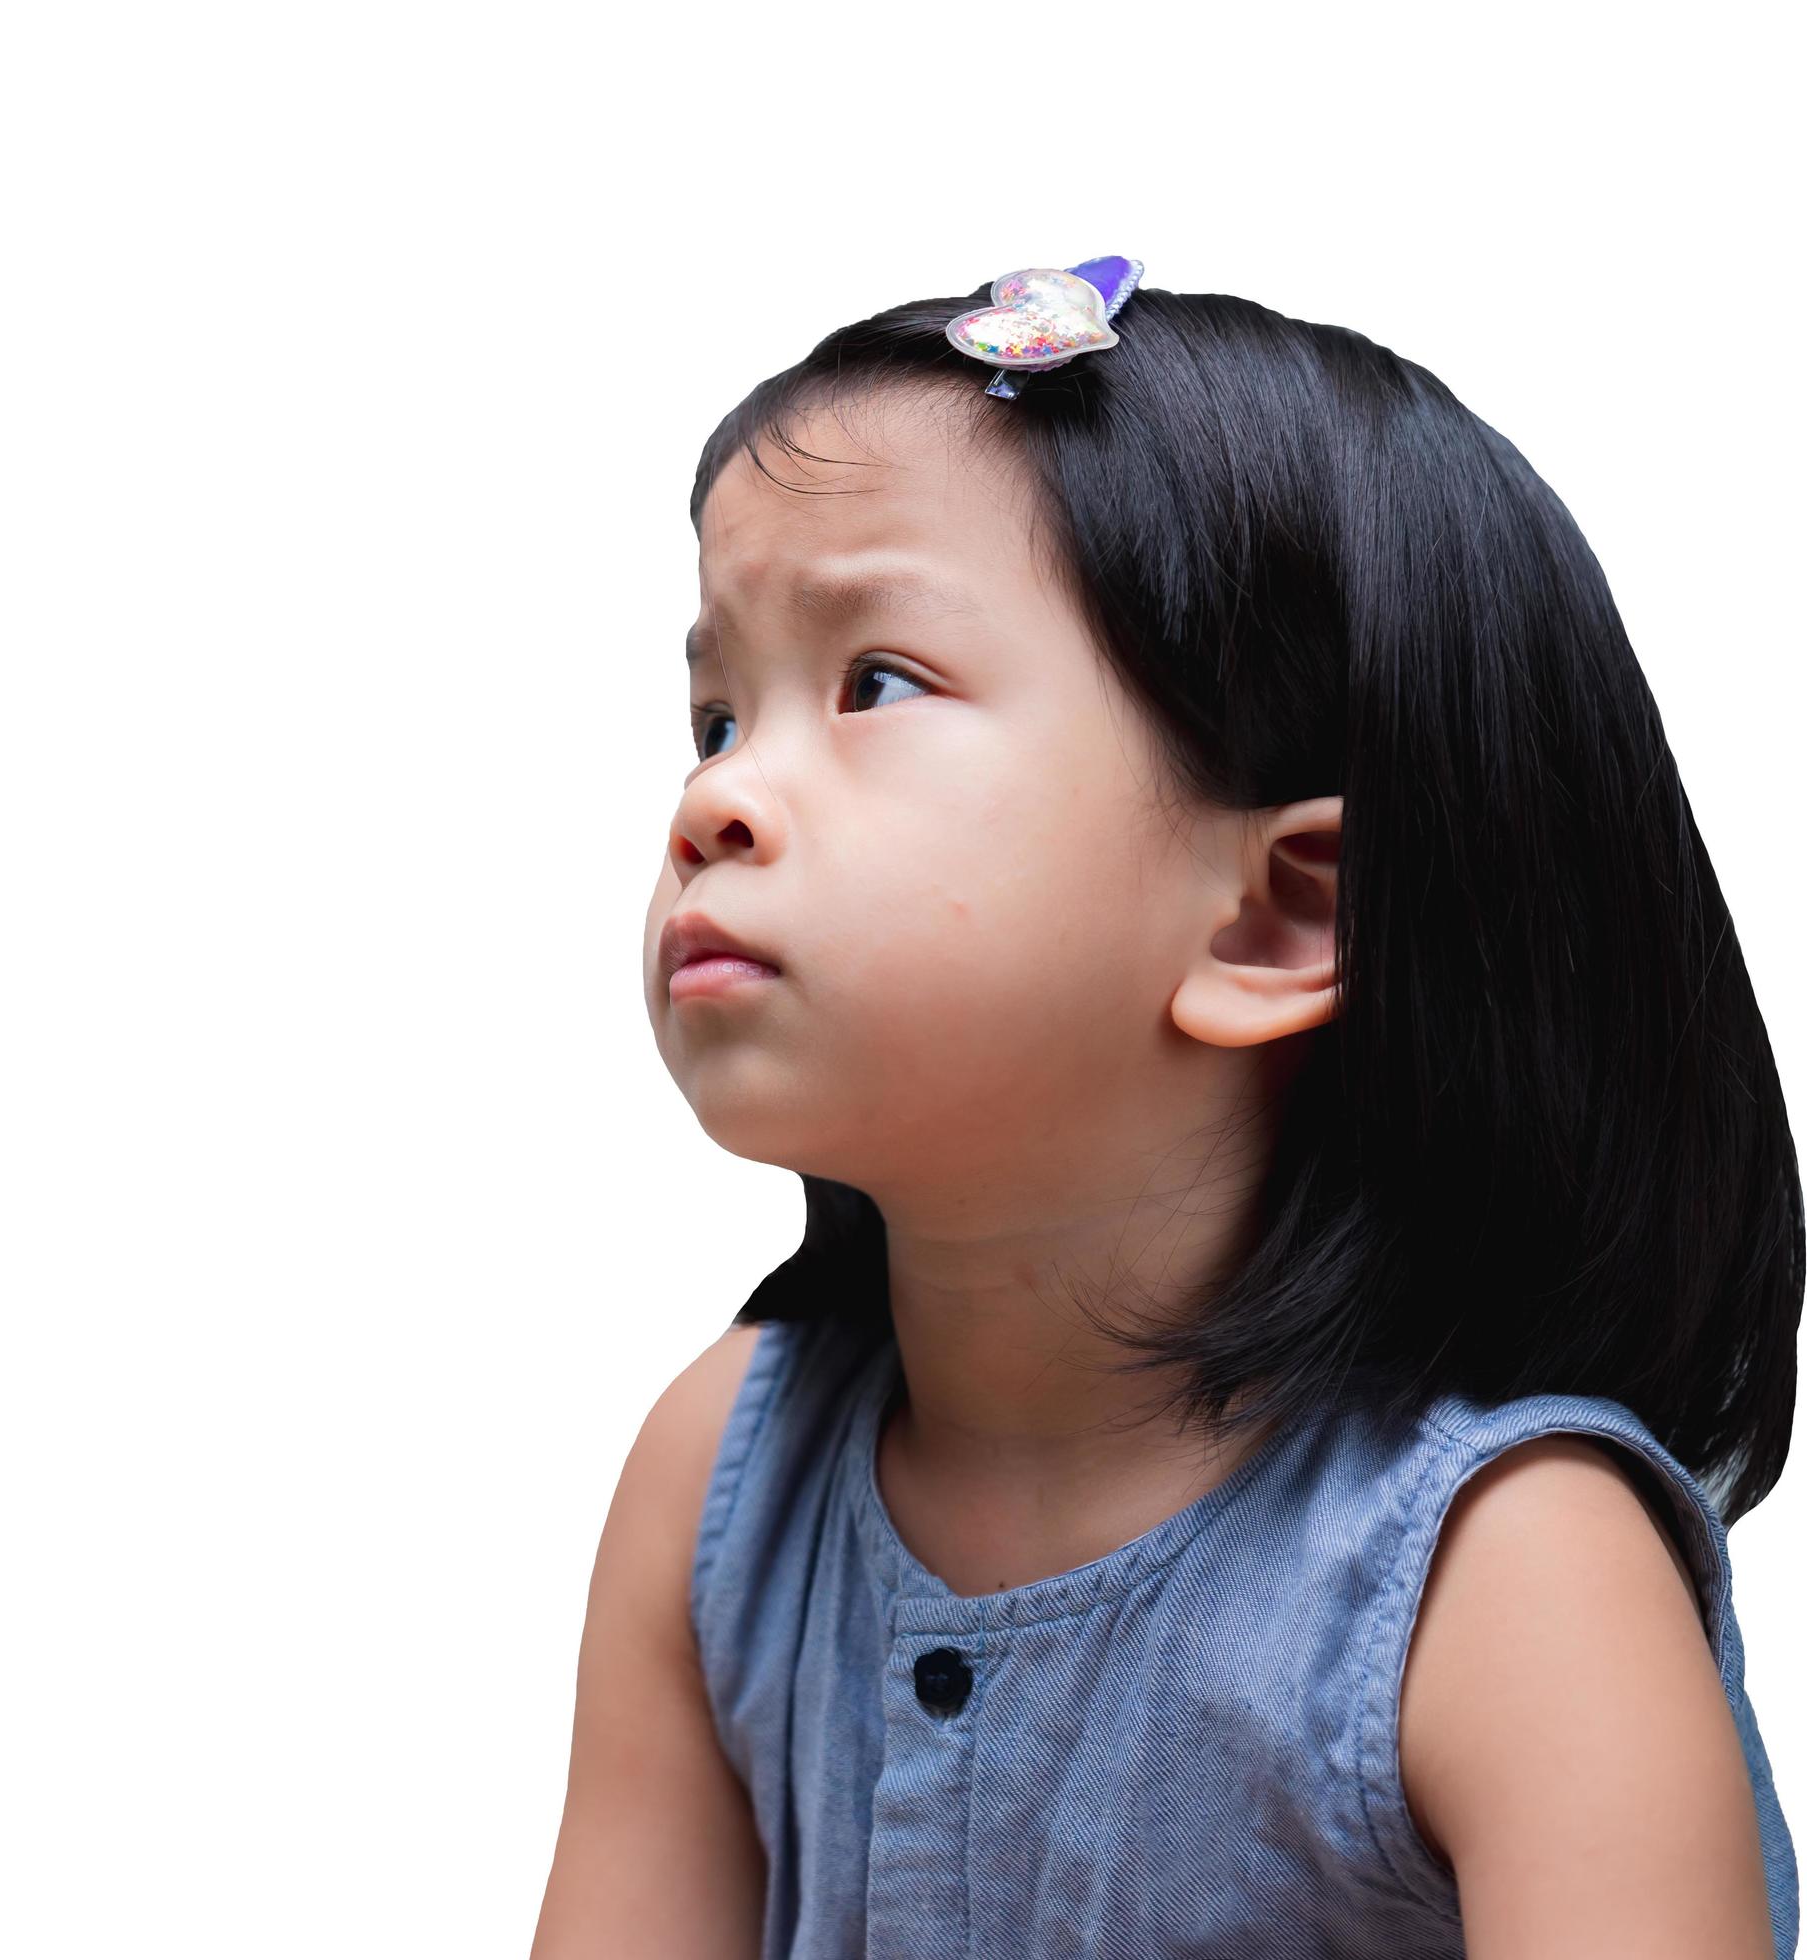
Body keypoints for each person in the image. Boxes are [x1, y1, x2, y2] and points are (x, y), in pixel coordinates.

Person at [532, 261, 1802, 1958]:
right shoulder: (719, 1482)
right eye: (712, 716)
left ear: (1278, 919)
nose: (716, 802)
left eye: (876, 685)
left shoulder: (1509, 1583)